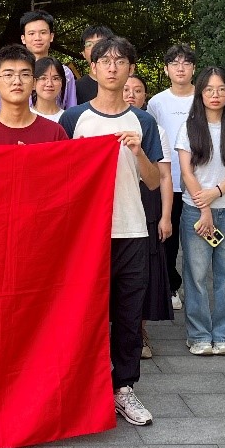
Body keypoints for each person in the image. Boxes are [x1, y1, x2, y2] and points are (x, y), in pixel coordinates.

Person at [60, 36, 162, 427]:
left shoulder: (143, 121)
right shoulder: (74, 119)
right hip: (87, 233)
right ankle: (85, 385)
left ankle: (124, 387)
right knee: (85, 312)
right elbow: (61, 174)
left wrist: (138, 152)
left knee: (128, 313)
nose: (113, 67)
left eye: (121, 61)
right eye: (105, 61)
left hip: (131, 229)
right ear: (93, 68)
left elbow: (153, 181)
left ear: (130, 69)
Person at [175, 67, 225, 356]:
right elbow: (187, 172)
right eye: (209, 90)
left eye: (221, 89)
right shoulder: (189, 127)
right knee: (195, 275)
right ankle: (198, 335)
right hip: (195, 212)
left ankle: (223, 335)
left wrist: (216, 192)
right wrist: (204, 207)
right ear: (200, 93)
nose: (215, 95)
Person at [123, 74, 174, 359]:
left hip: (147, 201)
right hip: (114, 201)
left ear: (145, 97)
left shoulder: (153, 127)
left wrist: (166, 216)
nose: (131, 94)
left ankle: (139, 332)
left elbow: (164, 176)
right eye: (126, 89)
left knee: (144, 270)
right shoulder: (101, 121)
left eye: (138, 90)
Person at [147, 43, 197, 311]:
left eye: (186, 63)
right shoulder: (157, 102)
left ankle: (196, 290)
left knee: (196, 241)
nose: (180, 68)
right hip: (169, 182)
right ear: (166, 69)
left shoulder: (203, 97)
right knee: (167, 239)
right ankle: (171, 287)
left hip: (199, 184)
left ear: (194, 69)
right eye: (175, 63)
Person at [0, 45, 68, 144]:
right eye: (8, 75)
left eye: (25, 75)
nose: (17, 81)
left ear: (34, 83)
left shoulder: (56, 133)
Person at [19, 10, 77, 109]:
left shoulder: (65, 73)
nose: (37, 38)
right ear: (23, 38)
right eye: (31, 33)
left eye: (43, 33)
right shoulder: (14, 73)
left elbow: (71, 108)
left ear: (51, 36)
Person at [75, 26, 115, 104]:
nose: (94, 48)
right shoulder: (74, 88)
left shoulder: (126, 84)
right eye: (89, 44)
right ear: (83, 53)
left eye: (100, 43)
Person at [31, 56, 66, 122]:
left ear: (62, 83)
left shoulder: (68, 118)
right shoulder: (25, 117)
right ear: (33, 83)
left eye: (55, 78)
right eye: (43, 78)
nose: (49, 84)